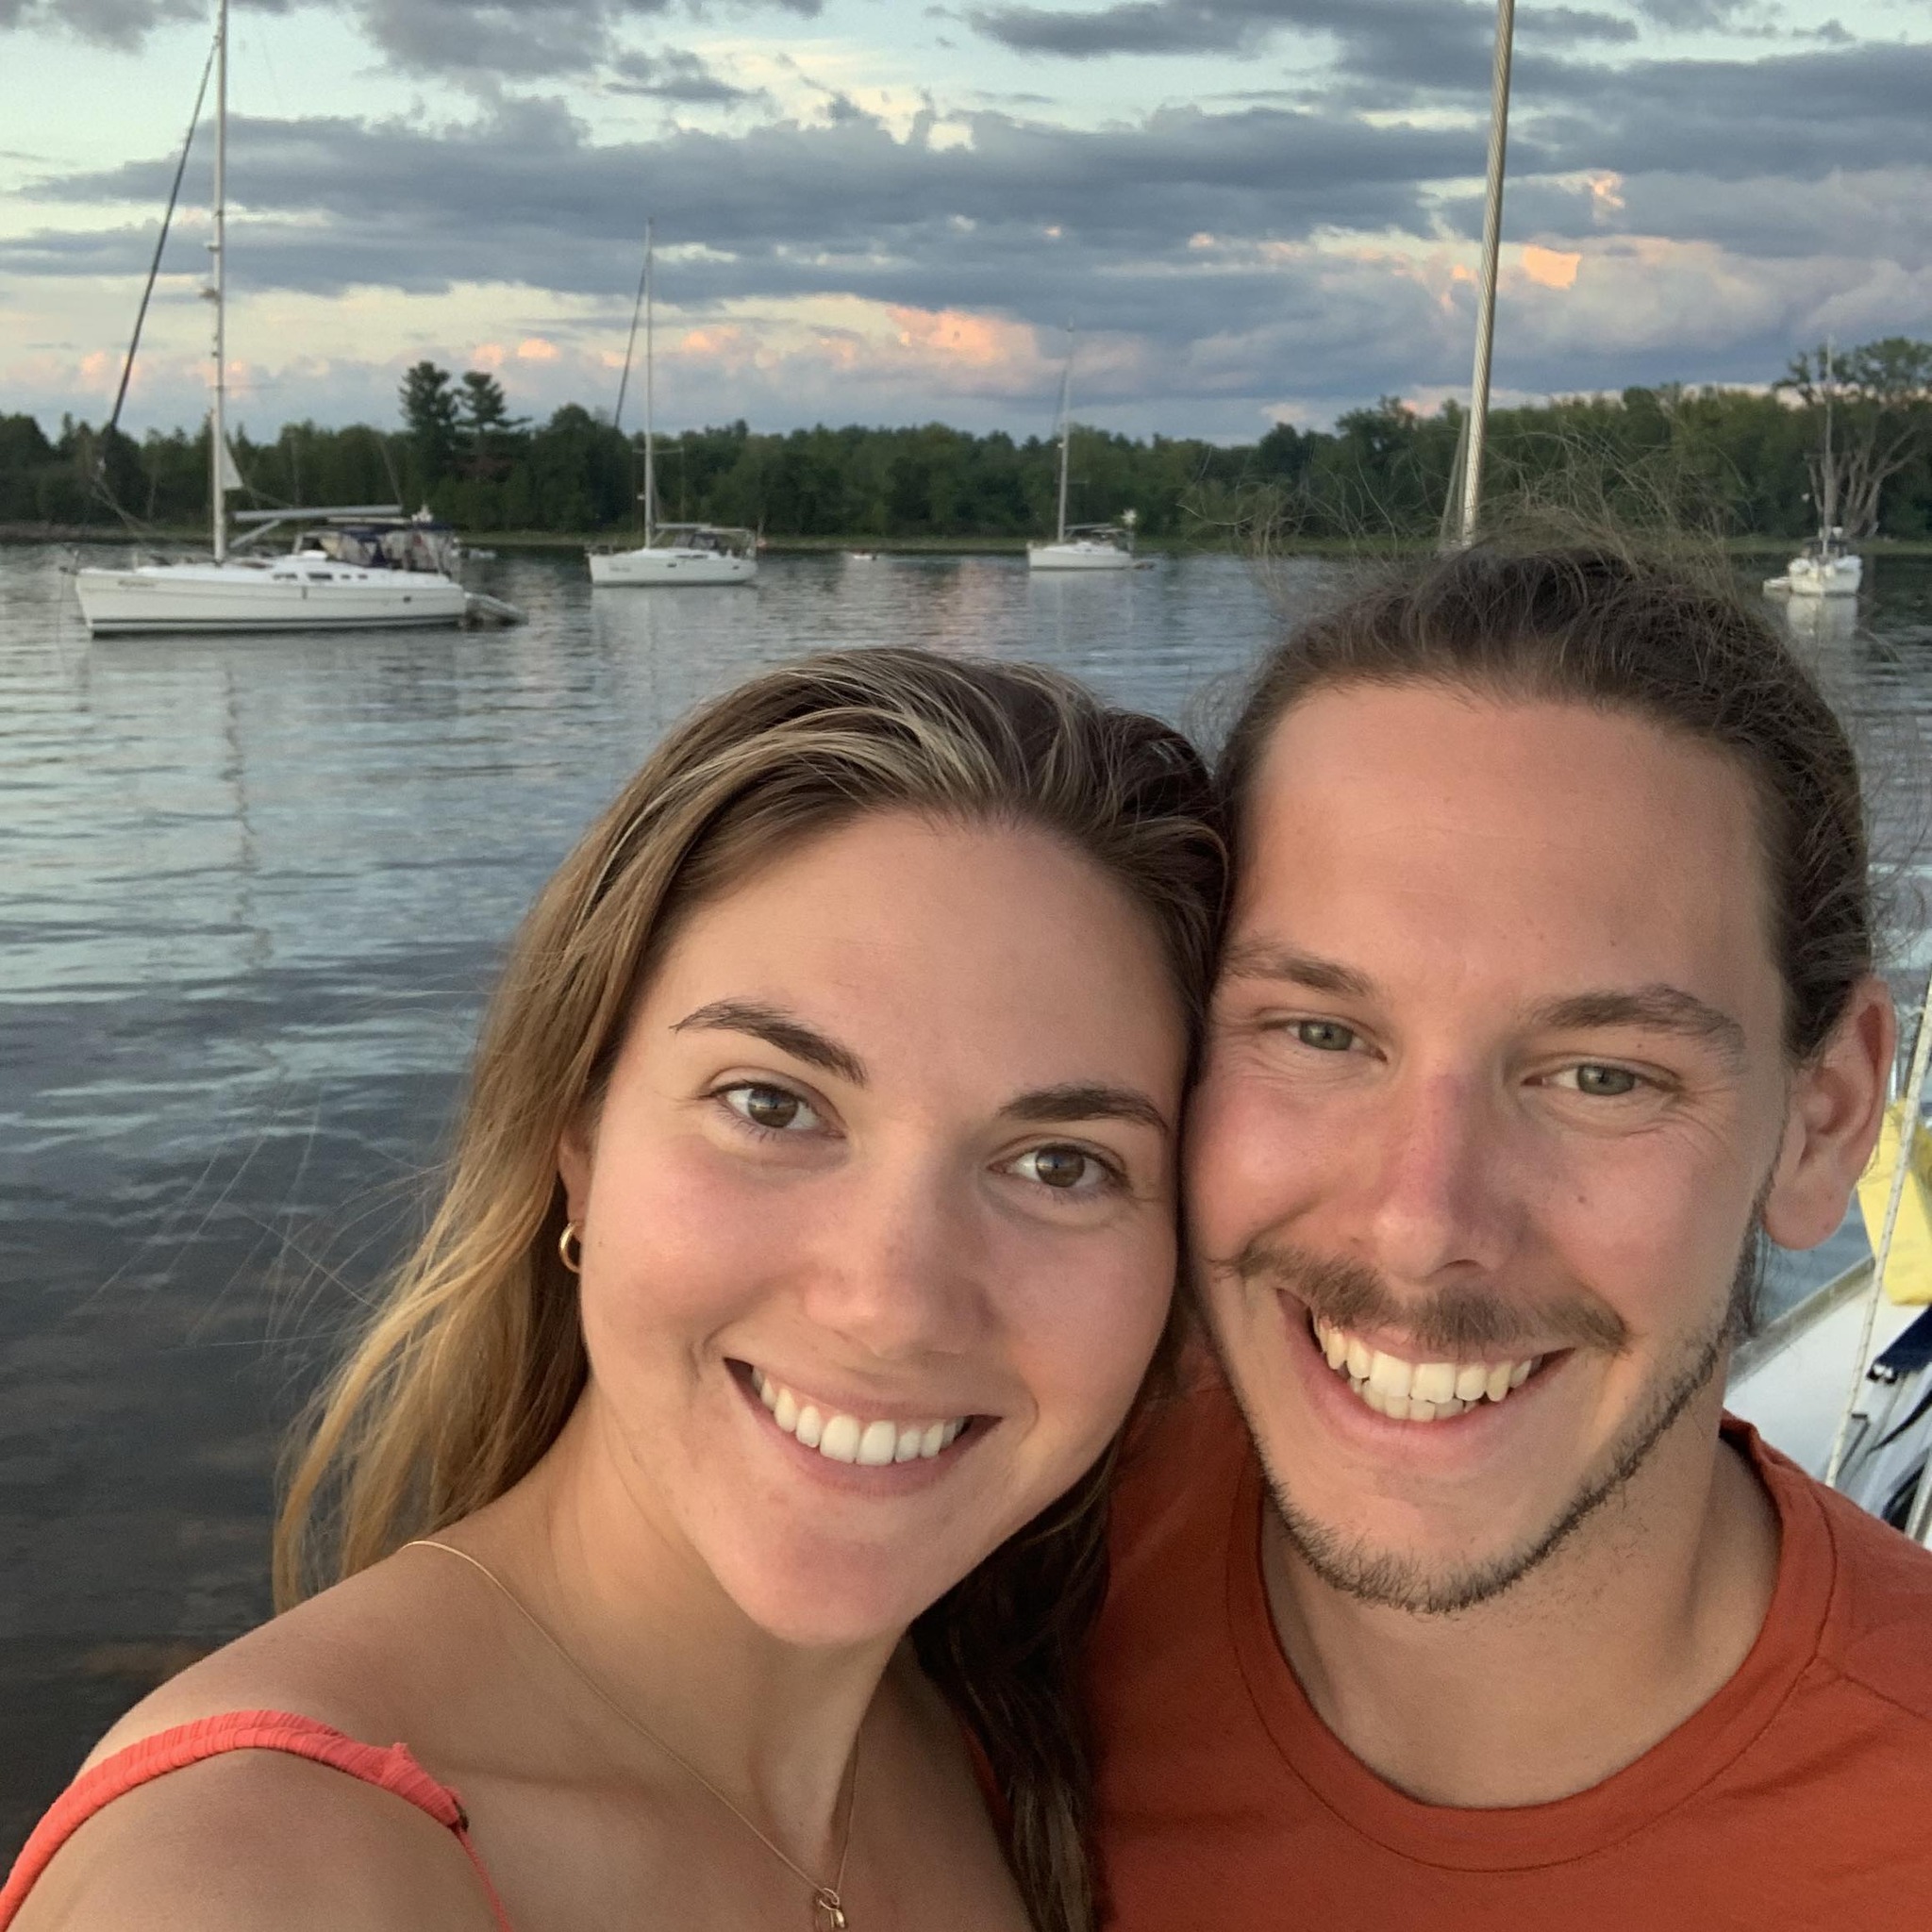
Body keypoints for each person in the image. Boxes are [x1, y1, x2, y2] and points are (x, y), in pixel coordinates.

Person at [3, 648, 1225, 1932]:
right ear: (574, 1145)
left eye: (1059, 1164)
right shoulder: (265, 1874)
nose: (893, 1300)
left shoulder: (991, 1723)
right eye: (773, 1105)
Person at [1091, 545, 1932, 1926]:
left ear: (1825, 1119)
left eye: (1602, 1075)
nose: (1424, 1227)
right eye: (1320, 1034)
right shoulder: (970, 1612)